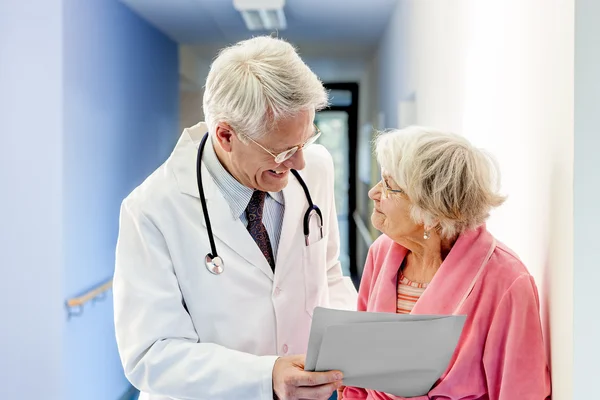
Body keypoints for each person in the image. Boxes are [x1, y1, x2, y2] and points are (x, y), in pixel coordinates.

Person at [113, 36, 357, 400]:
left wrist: (349, 345)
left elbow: (329, 273)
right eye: (284, 150)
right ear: (226, 135)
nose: (300, 163)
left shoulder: (315, 168)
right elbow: (151, 355)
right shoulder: (152, 209)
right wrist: (265, 376)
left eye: (305, 141)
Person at [340, 126, 551, 399]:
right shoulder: (381, 252)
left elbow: (521, 392)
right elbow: (358, 374)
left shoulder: (506, 280)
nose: (374, 193)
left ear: (434, 209)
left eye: (390, 185)